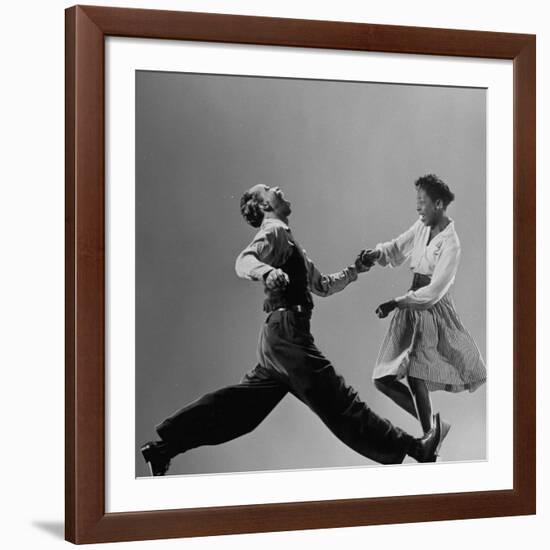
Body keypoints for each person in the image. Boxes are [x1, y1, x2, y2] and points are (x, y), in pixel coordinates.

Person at [140, 184, 442, 476]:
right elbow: (243, 261)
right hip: (287, 334)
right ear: (264, 205)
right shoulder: (273, 232)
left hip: (276, 340)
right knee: (338, 400)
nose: (278, 188)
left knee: (239, 412)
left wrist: (355, 270)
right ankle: (416, 448)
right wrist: (268, 272)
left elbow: (322, 285)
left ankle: (163, 449)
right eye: (269, 189)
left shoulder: (289, 241)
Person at [360, 174, 486, 445]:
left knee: (417, 374)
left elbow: (433, 293)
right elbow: (396, 248)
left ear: (438, 204)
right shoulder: (421, 226)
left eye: (422, 202)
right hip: (410, 304)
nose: (418, 208)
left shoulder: (451, 244)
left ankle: (431, 434)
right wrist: (375, 254)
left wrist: (395, 303)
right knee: (382, 379)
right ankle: (434, 428)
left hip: (431, 310)